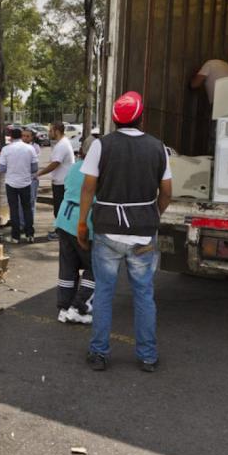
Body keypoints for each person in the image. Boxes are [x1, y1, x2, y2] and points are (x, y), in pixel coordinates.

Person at [77, 91, 172, 373]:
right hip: (143, 232)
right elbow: (167, 193)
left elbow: (88, 187)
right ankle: (147, 356)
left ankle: (99, 353)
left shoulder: (100, 145)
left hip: (108, 231)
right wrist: (153, 214)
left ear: (114, 119)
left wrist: (82, 222)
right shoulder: (158, 147)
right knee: (143, 293)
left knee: (104, 293)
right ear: (141, 118)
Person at [54, 136, 96, 325]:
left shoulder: (74, 167)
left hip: (64, 219)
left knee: (68, 266)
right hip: (84, 220)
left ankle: (64, 307)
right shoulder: (98, 170)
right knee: (95, 266)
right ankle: (80, 307)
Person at [36, 122, 76, 241]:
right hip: (61, 181)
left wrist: (39, 173)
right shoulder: (62, 143)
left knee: (60, 209)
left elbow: (55, 163)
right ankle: (60, 231)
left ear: (57, 131)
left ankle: (60, 233)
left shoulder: (62, 145)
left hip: (62, 182)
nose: (49, 133)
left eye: (50, 131)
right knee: (59, 208)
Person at [0, 128, 37, 244]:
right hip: (26, 182)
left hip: (11, 183)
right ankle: (30, 234)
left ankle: (15, 237)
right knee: (27, 209)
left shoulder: (6, 149)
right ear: (21, 136)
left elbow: (2, 168)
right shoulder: (30, 148)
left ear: (10, 137)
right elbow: (35, 168)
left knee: (14, 210)